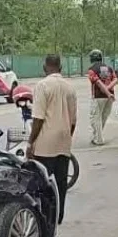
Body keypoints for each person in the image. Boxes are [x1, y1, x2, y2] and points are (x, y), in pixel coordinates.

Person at [27, 54, 77, 223]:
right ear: (60, 67)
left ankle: (44, 217)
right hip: (63, 141)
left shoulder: (42, 85)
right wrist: (67, 137)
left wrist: (30, 142)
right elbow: (73, 120)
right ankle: (59, 215)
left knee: (41, 183)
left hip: (45, 143)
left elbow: (38, 118)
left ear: (44, 67)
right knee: (61, 183)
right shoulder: (70, 87)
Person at [85, 49, 117, 146]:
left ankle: (99, 139)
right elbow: (115, 79)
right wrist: (109, 89)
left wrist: (106, 92)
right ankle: (96, 136)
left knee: (95, 118)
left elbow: (98, 82)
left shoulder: (92, 70)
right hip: (109, 97)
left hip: (98, 96)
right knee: (103, 117)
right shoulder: (109, 68)